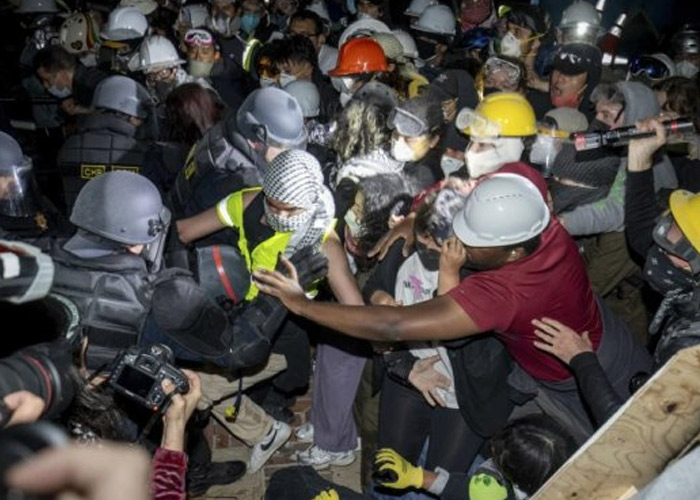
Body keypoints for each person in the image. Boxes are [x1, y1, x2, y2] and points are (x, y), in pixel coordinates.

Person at [255, 173, 653, 443]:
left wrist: (302, 305)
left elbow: (392, 325)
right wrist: (412, 220)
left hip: (574, 379)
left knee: (621, 446)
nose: (458, 239)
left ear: (512, 251)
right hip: (607, 333)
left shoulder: (502, 293)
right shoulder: (539, 220)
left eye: (473, 239)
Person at [56, 75, 164, 211]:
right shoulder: (144, 153)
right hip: (128, 230)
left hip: (78, 227)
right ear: (132, 115)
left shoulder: (69, 147)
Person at [0, 131, 71, 245]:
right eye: (4, 176)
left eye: (13, 176)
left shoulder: (39, 205)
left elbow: (65, 231)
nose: (12, 181)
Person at [33, 44, 107, 116]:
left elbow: (113, 109)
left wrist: (87, 110)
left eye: (47, 80)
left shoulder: (88, 85)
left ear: (61, 75)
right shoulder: (83, 81)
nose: (45, 85)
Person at [548, 43, 602, 121]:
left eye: (570, 74)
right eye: (557, 70)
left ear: (589, 84)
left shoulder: (596, 125)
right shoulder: (533, 106)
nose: (559, 78)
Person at [287, 9, 338, 76]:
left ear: (320, 39)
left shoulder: (335, 62)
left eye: (304, 36)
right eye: (293, 35)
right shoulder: (286, 55)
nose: (297, 40)